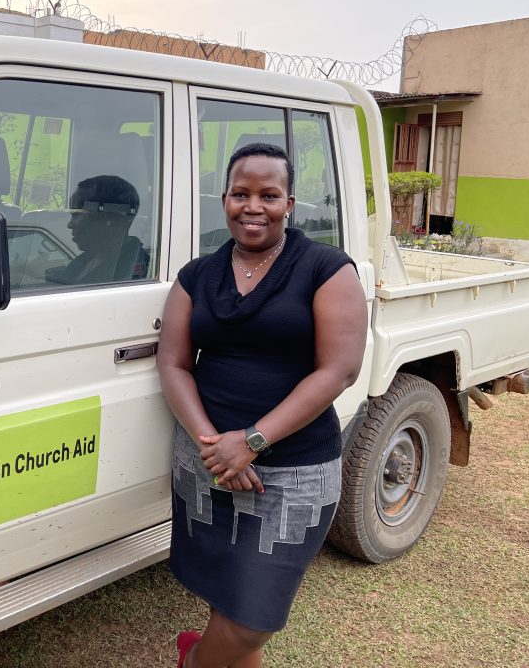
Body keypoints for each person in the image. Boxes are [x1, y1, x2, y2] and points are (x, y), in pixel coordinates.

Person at [157, 142, 367, 668]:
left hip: (292, 471)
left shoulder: (325, 268)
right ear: (224, 198)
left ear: (290, 203)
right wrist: (214, 445)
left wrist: (250, 443)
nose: (254, 206)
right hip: (207, 462)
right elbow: (174, 364)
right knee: (225, 593)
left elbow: (338, 370)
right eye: (241, 193)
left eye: (269, 195)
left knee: (253, 616)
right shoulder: (197, 275)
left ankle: (194, 661)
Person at [46, 174, 149, 285]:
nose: (70, 225)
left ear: (109, 218)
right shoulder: (87, 259)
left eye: (77, 215)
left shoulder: (133, 271)